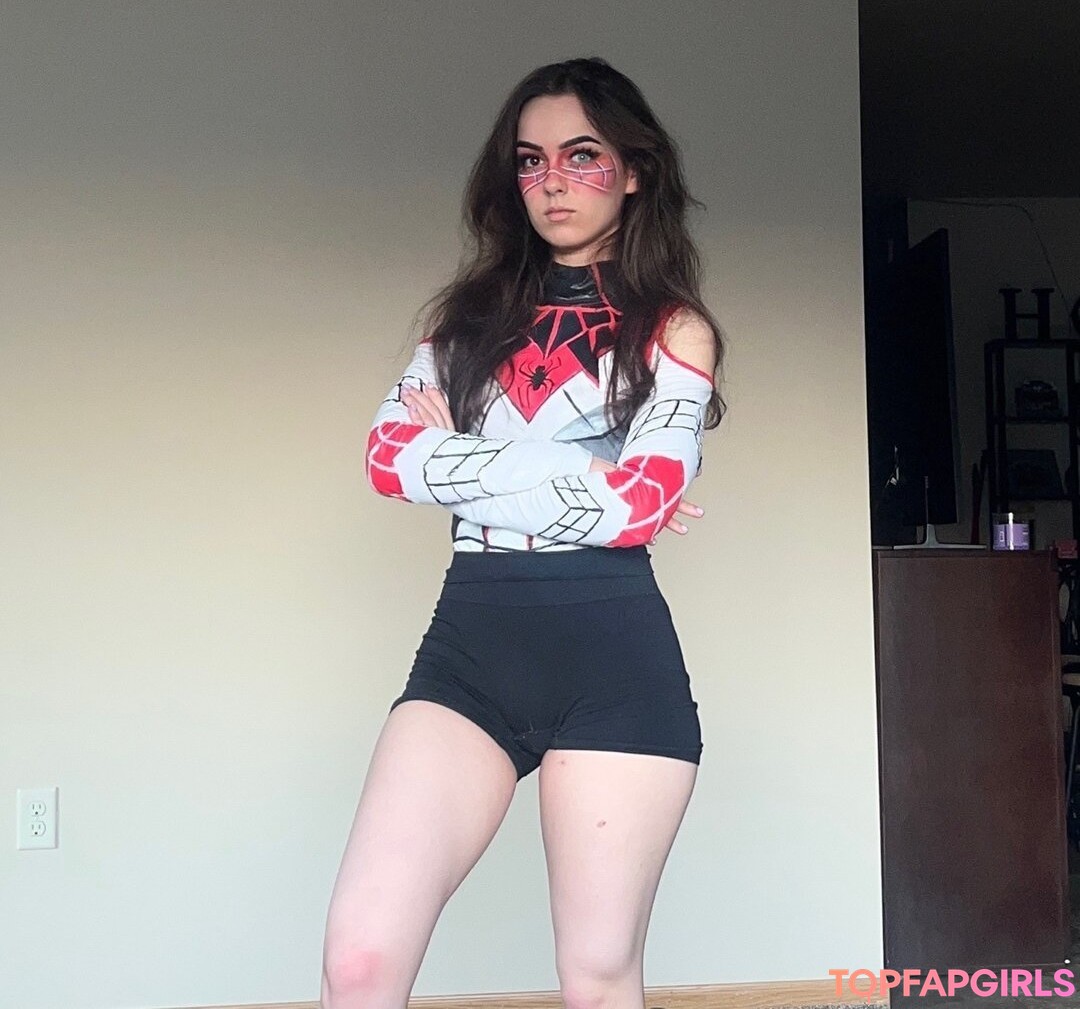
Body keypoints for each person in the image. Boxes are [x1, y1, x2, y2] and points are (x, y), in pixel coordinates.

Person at [320, 56, 726, 1009]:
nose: (552, 180)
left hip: (616, 663)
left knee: (597, 974)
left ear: (634, 169)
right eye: (531, 159)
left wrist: (458, 459)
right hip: (470, 650)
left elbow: (637, 505)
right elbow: (388, 460)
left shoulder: (674, 329)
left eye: (582, 155)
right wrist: (591, 480)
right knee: (359, 962)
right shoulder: (464, 324)